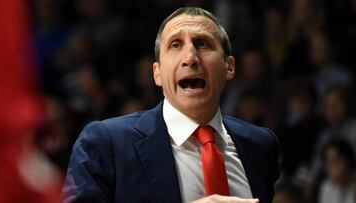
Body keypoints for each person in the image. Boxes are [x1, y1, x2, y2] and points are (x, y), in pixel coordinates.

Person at [62, 7, 280, 203]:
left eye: (202, 44)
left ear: (229, 67)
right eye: (176, 45)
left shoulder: (260, 145)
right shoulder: (107, 142)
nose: (190, 57)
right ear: (157, 73)